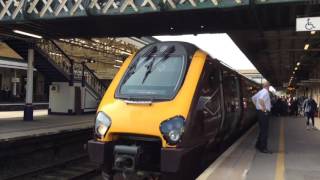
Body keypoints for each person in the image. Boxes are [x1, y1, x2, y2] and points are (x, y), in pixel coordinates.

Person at [252, 81, 272, 154]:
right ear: (268, 86)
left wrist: (257, 107)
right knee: (265, 131)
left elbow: (253, 98)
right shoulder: (266, 92)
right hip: (263, 113)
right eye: (269, 86)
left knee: (262, 130)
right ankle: (263, 148)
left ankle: (258, 145)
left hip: (259, 113)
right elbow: (260, 100)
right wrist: (264, 109)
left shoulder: (260, 91)